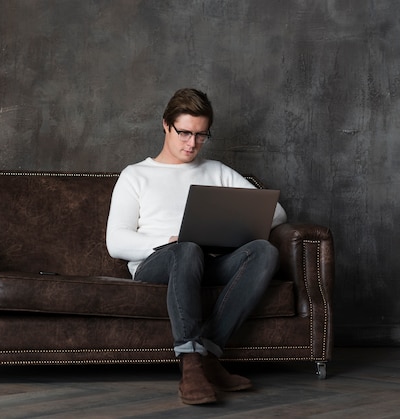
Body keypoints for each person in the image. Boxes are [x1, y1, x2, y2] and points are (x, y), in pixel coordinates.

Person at [106, 88, 287, 405]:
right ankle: (190, 364)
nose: (192, 144)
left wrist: (227, 231)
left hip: (208, 260)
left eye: (201, 135)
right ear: (166, 125)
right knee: (187, 248)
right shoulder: (136, 175)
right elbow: (116, 242)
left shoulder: (215, 171)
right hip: (158, 264)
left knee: (264, 250)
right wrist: (170, 241)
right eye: (185, 133)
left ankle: (208, 358)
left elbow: (277, 212)